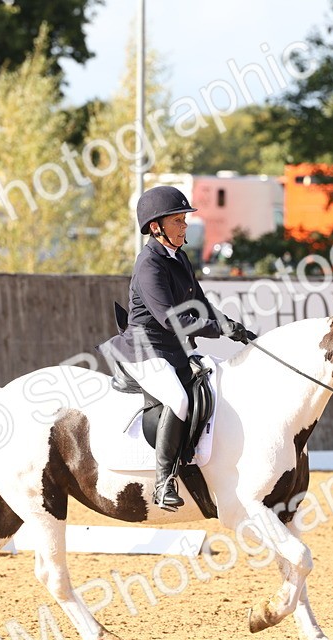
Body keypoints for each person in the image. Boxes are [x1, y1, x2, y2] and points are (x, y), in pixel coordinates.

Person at [100, 186, 255, 511]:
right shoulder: (149, 265)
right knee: (178, 398)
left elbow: (199, 304)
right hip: (145, 348)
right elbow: (172, 319)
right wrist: (218, 329)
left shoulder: (179, 257)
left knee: (217, 381)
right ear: (155, 227)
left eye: (184, 220)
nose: (185, 226)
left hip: (173, 349)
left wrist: (230, 326)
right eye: (178, 221)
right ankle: (164, 482)